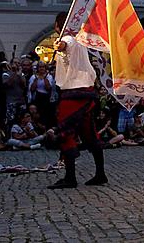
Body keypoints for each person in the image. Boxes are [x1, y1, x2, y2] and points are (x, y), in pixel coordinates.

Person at [50, 11, 107, 189]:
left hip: (75, 93)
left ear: (58, 27)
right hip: (85, 92)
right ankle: (100, 174)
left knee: (64, 131)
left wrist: (58, 45)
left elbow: (64, 45)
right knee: (89, 133)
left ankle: (70, 178)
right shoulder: (80, 40)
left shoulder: (69, 39)